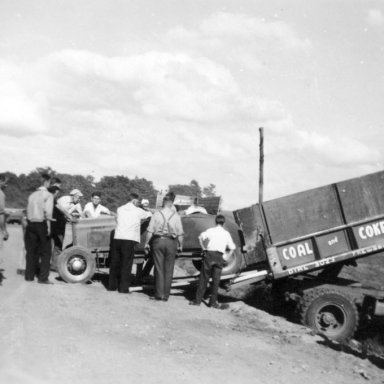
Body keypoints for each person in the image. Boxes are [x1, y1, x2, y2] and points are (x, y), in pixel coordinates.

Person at [108, 193, 152, 293]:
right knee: (126, 264)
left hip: (117, 237)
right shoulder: (138, 211)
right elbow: (149, 215)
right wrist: (147, 209)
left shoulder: (120, 209)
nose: (138, 203)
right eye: (138, 202)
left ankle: (112, 286)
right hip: (129, 239)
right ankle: (123, 288)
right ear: (134, 201)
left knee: (115, 263)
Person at [189, 214, 236, 309]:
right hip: (219, 256)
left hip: (209, 255)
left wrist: (203, 248)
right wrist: (227, 256)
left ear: (216, 221)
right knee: (216, 280)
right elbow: (232, 247)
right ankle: (213, 302)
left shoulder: (211, 230)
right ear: (223, 223)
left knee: (204, 278)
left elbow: (200, 237)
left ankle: (197, 301)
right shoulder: (226, 233)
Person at [144, 193, 184, 301]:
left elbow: (150, 231)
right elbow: (180, 233)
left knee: (159, 268)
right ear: (171, 204)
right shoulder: (176, 216)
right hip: (171, 243)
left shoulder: (156, 214)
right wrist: (181, 245)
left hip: (158, 241)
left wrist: (146, 243)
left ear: (163, 203)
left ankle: (158, 294)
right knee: (169, 269)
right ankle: (166, 295)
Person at [24, 173, 55, 283]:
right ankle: (43, 278)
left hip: (30, 224)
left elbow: (27, 211)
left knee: (31, 251)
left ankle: (29, 276)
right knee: (46, 253)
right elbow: (48, 213)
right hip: (41, 224)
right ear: (47, 182)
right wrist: (49, 228)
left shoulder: (32, 195)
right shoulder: (48, 195)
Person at [0, 175, 9, 283]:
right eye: (5, 182)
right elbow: (0, 215)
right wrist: (4, 230)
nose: (6, 185)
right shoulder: (1, 194)